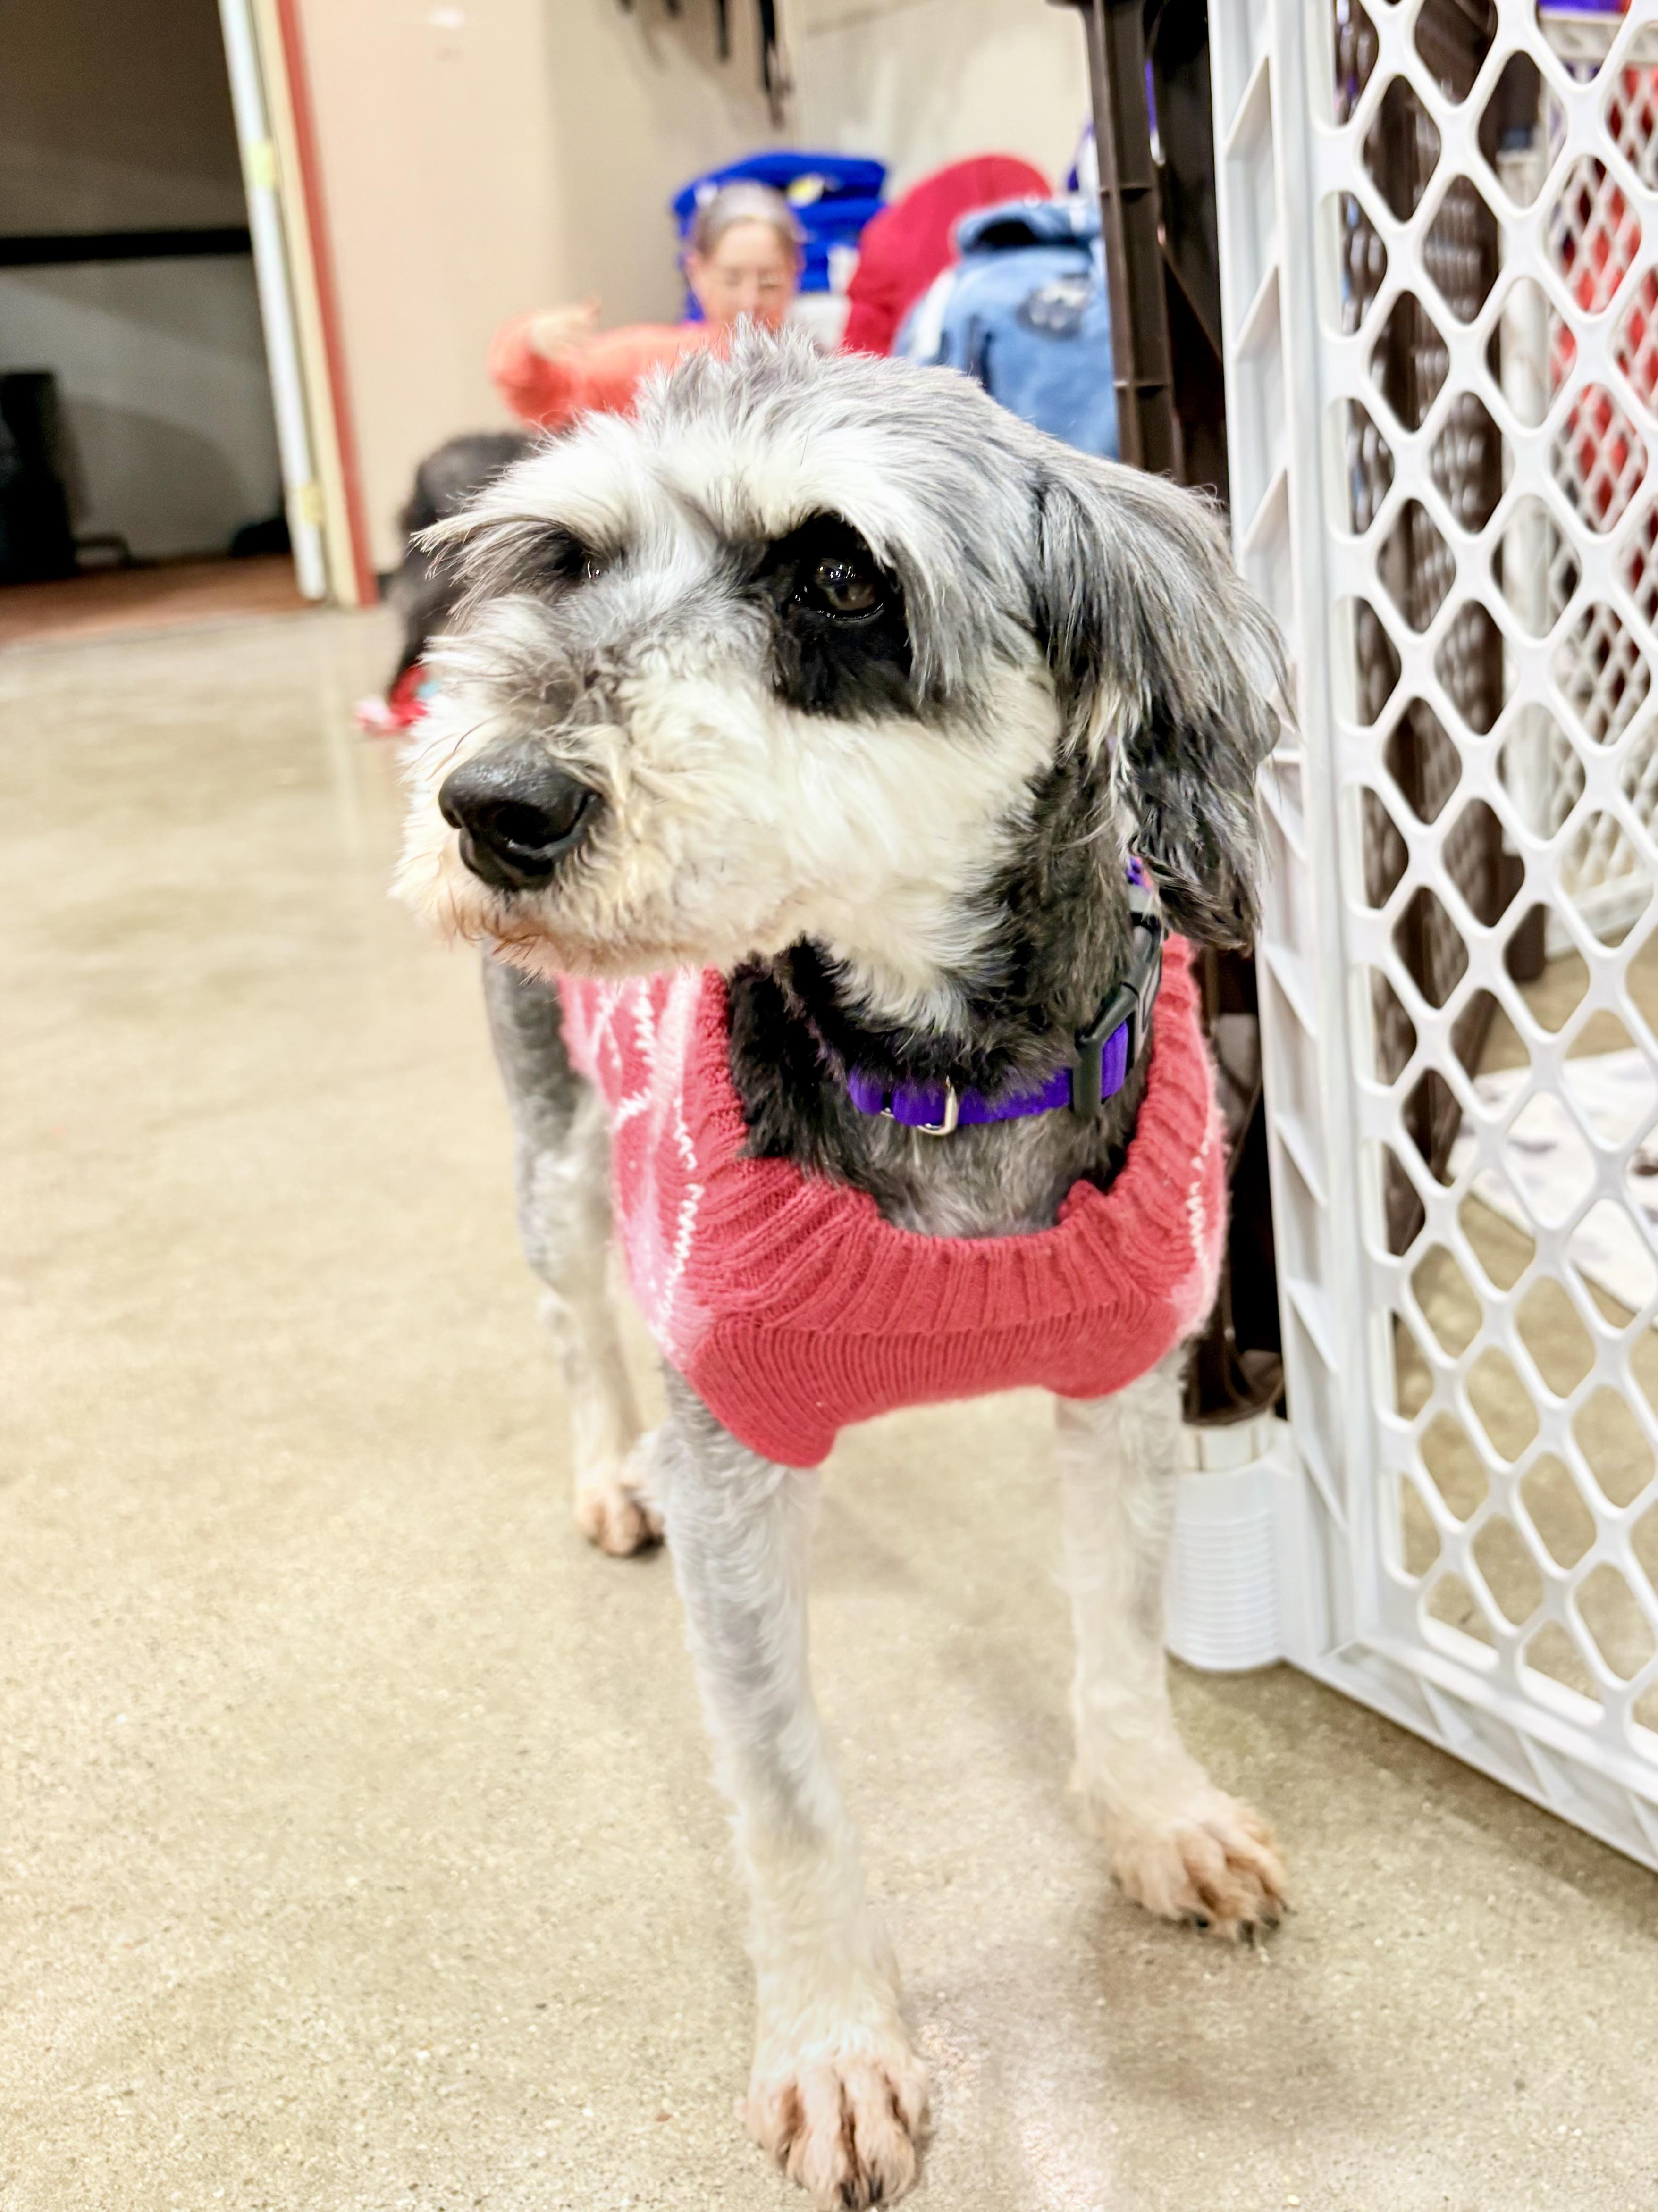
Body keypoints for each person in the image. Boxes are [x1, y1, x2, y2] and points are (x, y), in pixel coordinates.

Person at [489, 182, 804, 431]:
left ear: (794, 272)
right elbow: (546, 399)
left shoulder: (812, 368)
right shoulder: (648, 362)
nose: (750, 301)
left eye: (769, 282)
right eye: (732, 280)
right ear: (697, 272)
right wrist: (530, 341)